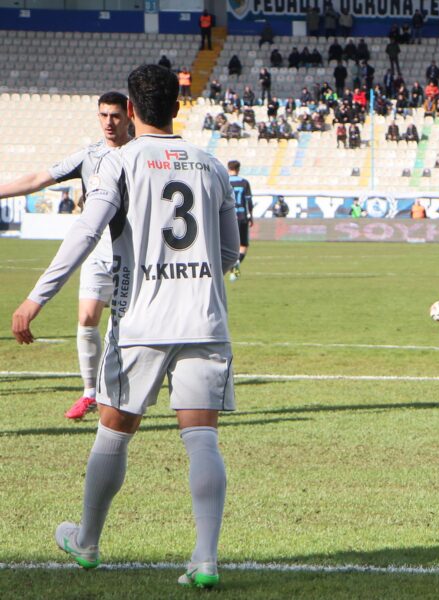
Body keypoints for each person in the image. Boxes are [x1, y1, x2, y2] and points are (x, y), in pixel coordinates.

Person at [11, 64, 237, 588]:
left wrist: (36, 297)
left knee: (113, 431)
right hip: (204, 321)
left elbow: (86, 231)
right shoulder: (211, 166)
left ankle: (87, 541)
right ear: (178, 107)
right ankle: (205, 558)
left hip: (141, 322)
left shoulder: (120, 161)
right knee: (202, 438)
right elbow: (228, 253)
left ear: (131, 111)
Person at [0, 91, 131, 420]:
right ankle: (89, 393)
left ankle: (120, 392)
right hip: (96, 250)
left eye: (115, 115)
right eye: (103, 115)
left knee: (125, 327)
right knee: (86, 318)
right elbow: (37, 179)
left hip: (131, 253)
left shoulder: (139, 153)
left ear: (129, 115)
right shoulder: (89, 156)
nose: (109, 122)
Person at [227, 160, 254, 281]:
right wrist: (251, 216)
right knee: (243, 244)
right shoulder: (244, 182)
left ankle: (231, 265)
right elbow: (249, 201)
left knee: (228, 244)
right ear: (238, 169)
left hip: (228, 216)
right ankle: (236, 262)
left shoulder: (224, 181)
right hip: (242, 216)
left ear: (228, 169)